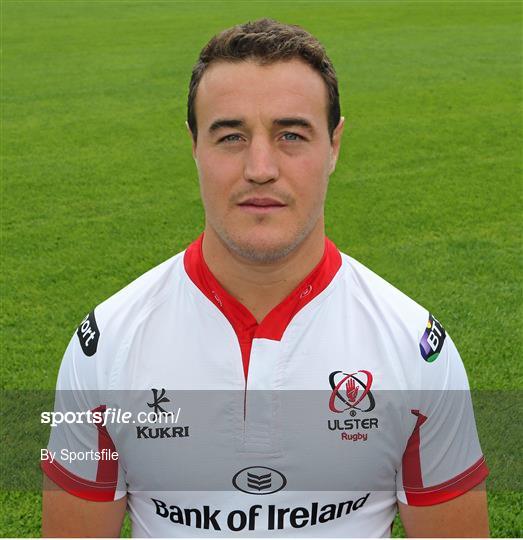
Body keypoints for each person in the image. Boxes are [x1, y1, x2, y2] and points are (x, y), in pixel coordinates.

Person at [41, 19, 489, 537]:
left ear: (335, 145)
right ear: (194, 146)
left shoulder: (415, 350)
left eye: (291, 135)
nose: (260, 167)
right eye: (230, 136)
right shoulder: (105, 346)